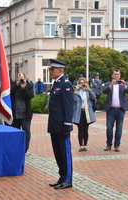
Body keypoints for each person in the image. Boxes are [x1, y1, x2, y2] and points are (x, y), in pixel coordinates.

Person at [48, 59, 73, 189]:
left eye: (53, 69)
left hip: (62, 125)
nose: (50, 71)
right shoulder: (56, 84)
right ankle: (62, 177)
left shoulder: (66, 84)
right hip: (54, 124)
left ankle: (67, 179)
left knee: (65, 154)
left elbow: (69, 107)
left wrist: (67, 125)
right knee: (58, 153)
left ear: (60, 70)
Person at [103, 69, 128, 152]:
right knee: (109, 128)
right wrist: (110, 86)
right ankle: (108, 144)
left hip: (121, 109)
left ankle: (117, 145)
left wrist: (125, 86)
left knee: (119, 128)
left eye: (117, 74)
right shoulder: (108, 84)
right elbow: (104, 91)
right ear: (112, 75)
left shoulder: (123, 84)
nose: (116, 75)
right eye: (114, 74)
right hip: (111, 109)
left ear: (120, 75)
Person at [10, 73, 34, 153]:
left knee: (26, 131)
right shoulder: (13, 85)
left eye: (21, 78)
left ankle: (25, 149)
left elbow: (30, 96)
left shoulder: (29, 85)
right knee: (16, 131)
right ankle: (16, 147)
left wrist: (24, 88)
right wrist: (16, 86)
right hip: (15, 114)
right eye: (18, 77)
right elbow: (10, 93)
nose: (20, 80)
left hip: (25, 114)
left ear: (24, 78)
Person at [72, 77, 96, 152]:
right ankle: (81, 145)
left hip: (87, 112)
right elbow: (73, 100)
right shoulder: (77, 92)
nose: (82, 84)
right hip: (79, 112)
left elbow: (94, 98)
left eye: (83, 83)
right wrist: (76, 90)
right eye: (80, 83)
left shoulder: (87, 91)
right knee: (80, 129)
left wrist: (88, 89)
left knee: (86, 129)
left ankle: (85, 144)